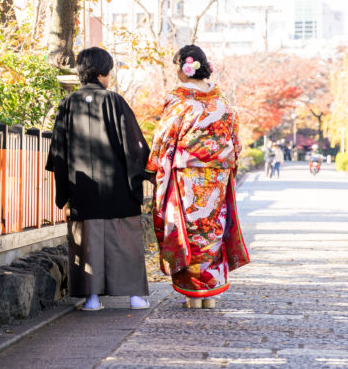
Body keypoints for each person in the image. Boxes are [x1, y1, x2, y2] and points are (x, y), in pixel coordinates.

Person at [47, 47, 151, 312]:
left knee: (88, 241)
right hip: (118, 186)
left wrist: (64, 186)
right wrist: (143, 171)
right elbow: (134, 144)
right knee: (124, 240)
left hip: (83, 188)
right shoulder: (115, 101)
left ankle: (91, 299)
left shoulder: (68, 103)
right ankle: (134, 297)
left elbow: (59, 149)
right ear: (103, 73)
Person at [147, 45, 250, 309]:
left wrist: (153, 166)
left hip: (188, 177)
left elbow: (164, 137)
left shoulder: (180, 100)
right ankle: (211, 293)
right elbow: (235, 143)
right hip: (217, 176)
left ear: (184, 66)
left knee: (189, 229)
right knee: (212, 229)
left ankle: (193, 295)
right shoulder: (223, 102)